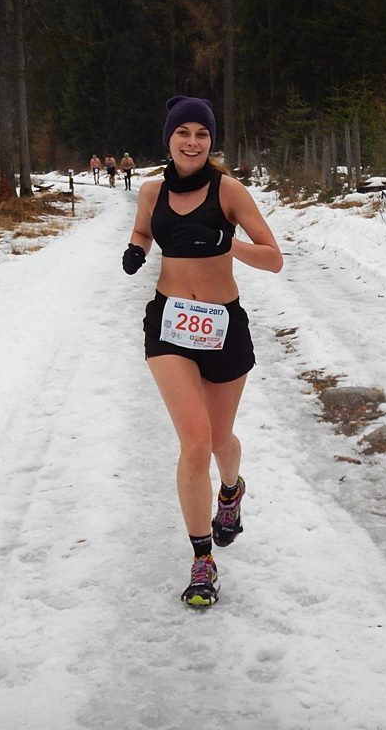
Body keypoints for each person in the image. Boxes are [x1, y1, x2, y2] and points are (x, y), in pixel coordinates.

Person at [122, 96, 283, 607]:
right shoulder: (152, 190)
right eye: (183, 132)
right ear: (168, 138)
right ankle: (202, 559)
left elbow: (274, 258)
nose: (192, 142)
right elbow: (144, 228)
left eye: (202, 134)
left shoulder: (228, 191)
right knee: (194, 442)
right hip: (170, 324)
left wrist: (227, 243)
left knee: (218, 439)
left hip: (222, 327)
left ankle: (231, 490)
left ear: (211, 141)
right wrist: (136, 249)